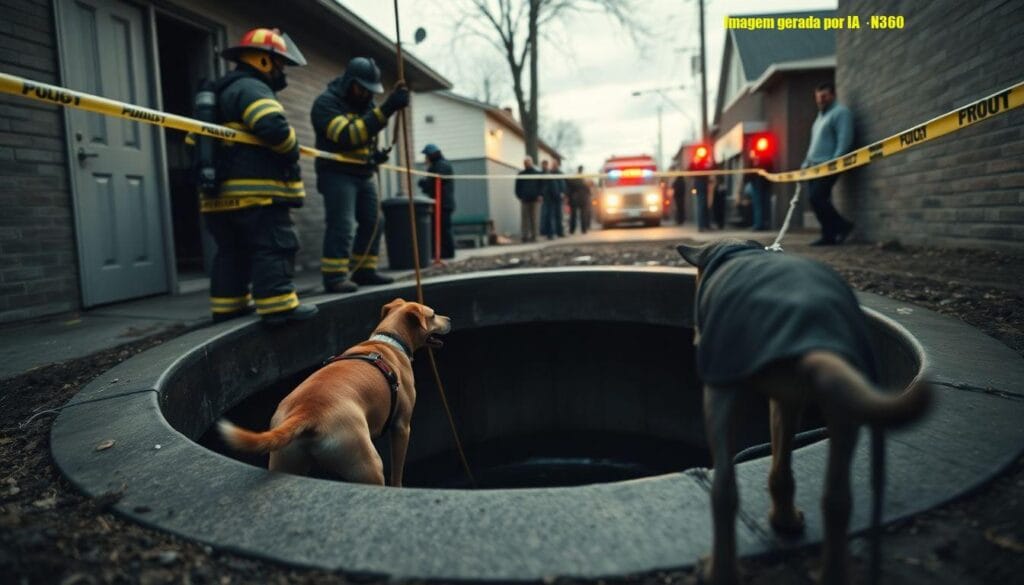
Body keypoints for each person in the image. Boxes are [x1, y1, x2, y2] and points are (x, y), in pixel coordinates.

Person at [200, 28, 318, 325]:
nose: (282, 73)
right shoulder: (251, 87)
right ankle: (279, 307)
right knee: (273, 246)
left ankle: (228, 307)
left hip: (220, 198)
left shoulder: (219, 92)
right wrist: (292, 146)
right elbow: (273, 128)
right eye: (279, 63)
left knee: (231, 252)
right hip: (258, 195)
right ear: (264, 61)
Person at [311, 57, 410, 293]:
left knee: (375, 220)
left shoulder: (365, 105)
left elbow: (365, 137)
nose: (367, 95)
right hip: (336, 174)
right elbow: (348, 135)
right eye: (362, 89)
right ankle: (334, 276)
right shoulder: (326, 104)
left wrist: (374, 156)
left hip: (363, 173)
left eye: (370, 91)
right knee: (343, 224)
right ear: (349, 83)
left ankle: (364, 270)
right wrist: (388, 108)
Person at [802, 81, 855, 246]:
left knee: (817, 197)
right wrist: (805, 164)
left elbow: (844, 139)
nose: (820, 100)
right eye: (818, 97)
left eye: (824, 96)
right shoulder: (819, 118)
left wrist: (836, 161)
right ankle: (828, 235)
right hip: (813, 167)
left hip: (828, 165)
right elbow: (814, 144)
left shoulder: (841, 113)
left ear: (832, 95)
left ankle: (843, 226)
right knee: (815, 200)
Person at [417, 144, 455, 259]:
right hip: (441, 203)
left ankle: (446, 253)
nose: (425, 159)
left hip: (443, 204)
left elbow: (434, 183)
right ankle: (441, 252)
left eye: (426, 156)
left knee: (443, 229)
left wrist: (424, 183)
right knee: (439, 229)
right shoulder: (440, 165)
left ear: (431, 155)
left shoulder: (441, 166)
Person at [514, 157, 542, 242]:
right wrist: (519, 196)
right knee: (524, 219)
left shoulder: (537, 174)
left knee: (534, 219)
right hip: (524, 199)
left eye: (528, 162)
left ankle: (535, 236)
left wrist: (540, 195)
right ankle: (525, 236)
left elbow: (542, 185)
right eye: (525, 162)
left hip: (535, 199)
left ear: (531, 162)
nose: (526, 164)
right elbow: (517, 187)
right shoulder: (521, 174)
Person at [540, 159, 566, 239]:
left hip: (558, 198)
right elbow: (545, 186)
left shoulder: (560, 174)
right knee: (550, 216)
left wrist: (563, 193)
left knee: (559, 216)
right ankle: (550, 234)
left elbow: (563, 185)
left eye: (555, 164)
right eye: (553, 164)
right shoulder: (549, 174)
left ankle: (559, 232)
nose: (554, 166)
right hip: (550, 198)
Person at [565, 165, 592, 235]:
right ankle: (584, 229)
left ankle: (572, 230)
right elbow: (588, 190)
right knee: (583, 215)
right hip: (583, 199)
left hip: (575, 199)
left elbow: (569, 186)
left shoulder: (575, 179)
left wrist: (568, 196)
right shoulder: (585, 180)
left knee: (574, 216)